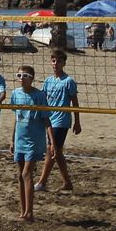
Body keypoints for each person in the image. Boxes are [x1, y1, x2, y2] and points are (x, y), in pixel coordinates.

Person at [35, 50, 81, 194]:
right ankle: (67, 182)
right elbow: (42, 99)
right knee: (57, 152)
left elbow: (75, 102)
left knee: (51, 150)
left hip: (62, 121)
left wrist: (77, 122)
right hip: (50, 119)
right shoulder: (48, 81)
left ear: (64, 63)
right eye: (53, 61)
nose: (55, 64)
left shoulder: (68, 81)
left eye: (58, 61)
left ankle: (42, 182)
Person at [10, 64, 50, 222]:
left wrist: (51, 142)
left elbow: (47, 120)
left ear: (32, 79)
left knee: (27, 173)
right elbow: (16, 118)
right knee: (20, 176)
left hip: (34, 140)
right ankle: (23, 211)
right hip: (20, 139)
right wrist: (12, 139)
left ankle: (30, 213)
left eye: (25, 76)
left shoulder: (39, 96)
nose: (21, 79)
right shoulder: (15, 94)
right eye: (19, 76)